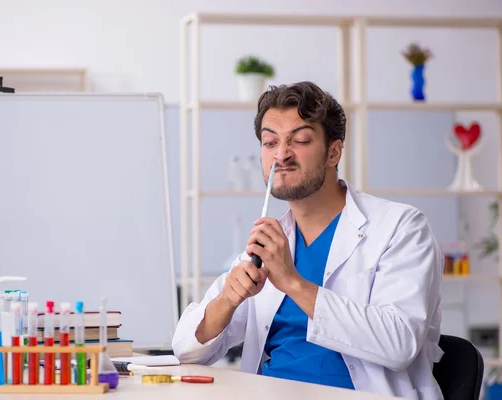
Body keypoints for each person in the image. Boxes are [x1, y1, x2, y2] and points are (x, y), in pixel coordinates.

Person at [172, 81, 444, 399]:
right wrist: (226, 302)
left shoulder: (401, 228)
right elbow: (187, 351)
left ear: (333, 152)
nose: (281, 154)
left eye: (300, 140)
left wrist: (293, 283)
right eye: (269, 142)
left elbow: (399, 344)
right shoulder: (270, 242)